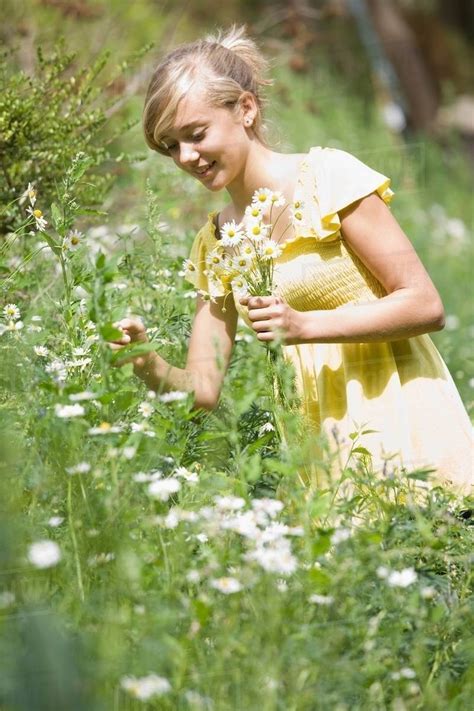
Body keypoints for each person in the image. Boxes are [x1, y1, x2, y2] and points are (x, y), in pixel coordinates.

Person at [109, 24, 473, 496]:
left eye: (195, 135)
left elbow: (424, 305)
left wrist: (304, 327)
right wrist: (145, 362)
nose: (186, 156)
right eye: (170, 146)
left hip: (413, 436)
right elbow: (203, 389)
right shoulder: (216, 242)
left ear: (245, 107)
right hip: (325, 461)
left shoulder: (329, 179)